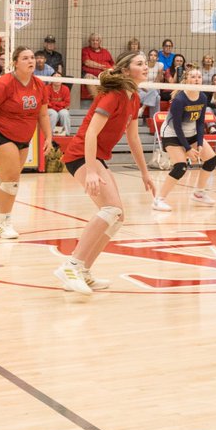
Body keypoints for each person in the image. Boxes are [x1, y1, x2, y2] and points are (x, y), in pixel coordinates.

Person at [55, 52, 153, 295]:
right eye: (140, 64)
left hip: (95, 158)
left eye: (146, 63)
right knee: (110, 209)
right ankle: (71, 266)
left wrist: (145, 172)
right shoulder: (113, 96)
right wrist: (90, 171)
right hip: (81, 155)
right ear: (126, 70)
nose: (146, 67)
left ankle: (83, 270)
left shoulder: (133, 97)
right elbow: (91, 133)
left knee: (117, 217)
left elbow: (133, 138)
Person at [0, 47, 51, 240]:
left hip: (24, 137)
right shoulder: (5, 83)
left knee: (7, 176)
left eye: (32, 57)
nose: (31, 61)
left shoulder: (39, 85)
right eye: (25, 58)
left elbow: (43, 114)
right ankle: (4, 223)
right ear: (15, 63)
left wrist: (49, 137)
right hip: (1, 133)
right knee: (11, 178)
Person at [153, 67, 216, 211]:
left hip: (191, 134)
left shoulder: (202, 97)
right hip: (172, 134)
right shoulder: (180, 99)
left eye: (199, 77)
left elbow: (200, 122)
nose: (197, 80)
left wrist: (199, 143)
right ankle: (159, 199)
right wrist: (188, 149)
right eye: (193, 77)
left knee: (211, 160)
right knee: (180, 166)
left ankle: (199, 194)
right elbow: (177, 127)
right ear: (186, 80)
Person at [80, 33, 114, 101]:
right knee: (88, 77)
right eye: (93, 40)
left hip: (104, 76)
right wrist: (101, 67)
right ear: (89, 41)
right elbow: (87, 62)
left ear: (100, 42)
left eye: (97, 40)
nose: (95, 42)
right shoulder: (85, 50)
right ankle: (98, 101)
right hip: (92, 76)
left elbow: (113, 64)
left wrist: (111, 70)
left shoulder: (105, 52)